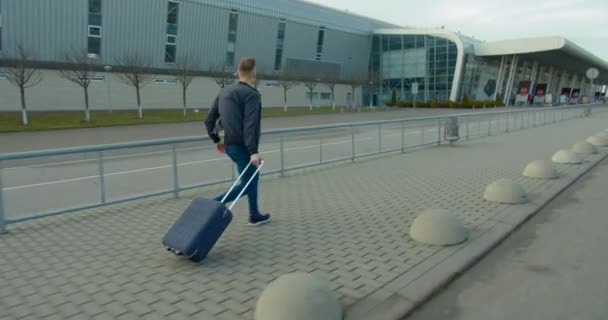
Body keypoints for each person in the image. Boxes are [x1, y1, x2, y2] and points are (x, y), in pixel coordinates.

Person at [204, 57, 271, 226]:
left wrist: (216, 140)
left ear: (237, 73)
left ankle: (254, 214)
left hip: (230, 145)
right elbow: (250, 125)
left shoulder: (223, 92)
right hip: (243, 147)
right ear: (254, 73)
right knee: (247, 183)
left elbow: (208, 121)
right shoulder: (252, 95)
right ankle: (213, 203)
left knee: (251, 179)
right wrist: (253, 151)